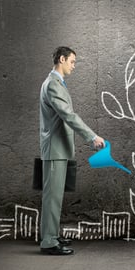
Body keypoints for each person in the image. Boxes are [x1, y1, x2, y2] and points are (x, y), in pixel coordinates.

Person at [39, 46, 105, 255]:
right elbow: (68, 115)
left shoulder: (56, 83)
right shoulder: (53, 85)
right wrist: (92, 136)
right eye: (72, 61)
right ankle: (49, 241)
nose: (74, 66)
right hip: (55, 150)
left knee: (55, 196)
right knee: (52, 197)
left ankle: (52, 235)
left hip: (59, 150)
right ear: (62, 59)